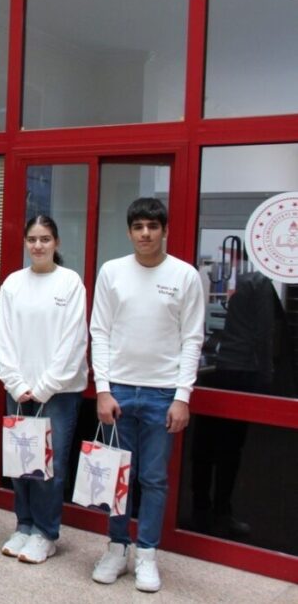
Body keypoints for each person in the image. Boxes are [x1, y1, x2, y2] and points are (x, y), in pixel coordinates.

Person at [90, 197, 205, 593]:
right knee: (119, 476)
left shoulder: (185, 276)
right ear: (129, 231)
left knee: (154, 479)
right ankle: (117, 549)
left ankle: (147, 555)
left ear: (165, 230)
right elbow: (99, 332)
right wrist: (102, 391)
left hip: (162, 394)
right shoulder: (112, 272)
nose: (145, 234)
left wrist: (182, 395)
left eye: (152, 227)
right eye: (138, 227)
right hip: (119, 389)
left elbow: (192, 338)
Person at [0, 216, 87, 563]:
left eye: (45, 239)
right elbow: (5, 339)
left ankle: (46, 533)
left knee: (50, 466)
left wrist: (45, 386)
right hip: (19, 389)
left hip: (58, 392)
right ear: (25, 242)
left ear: (57, 243)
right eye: (32, 239)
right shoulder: (13, 284)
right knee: (21, 461)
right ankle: (24, 525)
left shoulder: (70, 283)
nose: (38, 245)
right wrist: (16, 383)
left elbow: (73, 340)